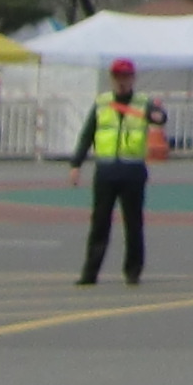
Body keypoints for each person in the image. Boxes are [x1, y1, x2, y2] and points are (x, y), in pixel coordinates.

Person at [67, 57, 160, 287]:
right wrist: (76, 164)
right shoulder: (102, 103)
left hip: (133, 171)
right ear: (112, 79)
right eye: (118, 77)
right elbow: (88, 134)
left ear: (133, 78)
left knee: (133, 224)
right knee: (99, 223)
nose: (122, 81)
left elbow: (159, 116)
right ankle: (90, 273)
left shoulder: (142, 103)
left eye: (126, 77)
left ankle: (133, 271)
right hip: (106, 171)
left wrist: (158, 116)